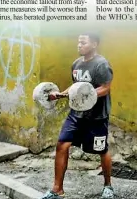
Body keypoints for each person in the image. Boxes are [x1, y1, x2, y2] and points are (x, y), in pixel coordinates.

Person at [40, 33, 114, 199]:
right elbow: (75, 87)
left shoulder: (101, 64)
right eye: (78, 42)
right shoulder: (76, 64)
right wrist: (59, 95)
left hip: (97, 116)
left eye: (83, 42)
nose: (79, 45)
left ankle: (108, 186)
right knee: (62, 145)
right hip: (76, 113)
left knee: (102, 150)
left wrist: (87, 94)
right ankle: (57, 190)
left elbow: (105, 88)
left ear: (94, 44)